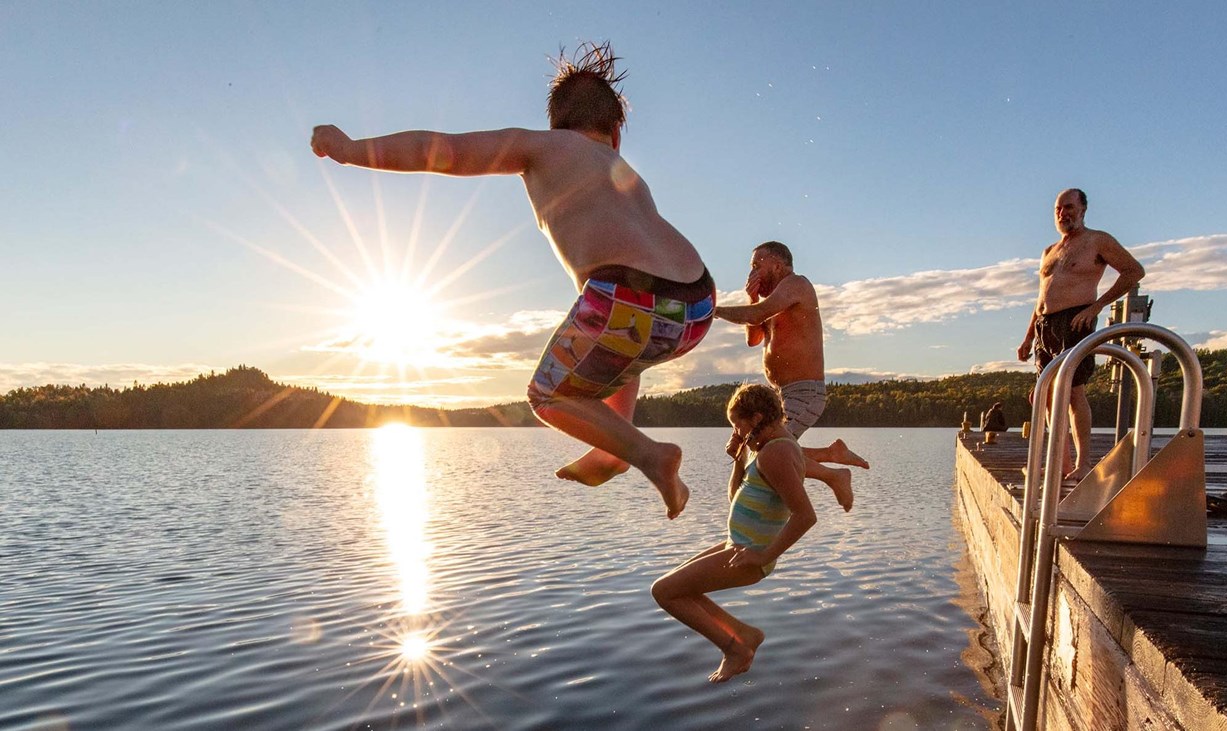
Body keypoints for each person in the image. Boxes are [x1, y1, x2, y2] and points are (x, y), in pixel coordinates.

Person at [311, 42, 713, 519]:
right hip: (695, 304)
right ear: (617, 132)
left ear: (556, 125)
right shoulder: (628, 175)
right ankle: (612, 449)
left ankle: (650, 455)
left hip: (629, 297)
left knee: (548, 394)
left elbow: (446, 151)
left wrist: (352, 150)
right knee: (627, 344)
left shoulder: (542, 147)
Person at [651, 383, 816, 683]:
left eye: (738, 425)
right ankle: (743, 635)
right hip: (738, 545)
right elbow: (734, 496)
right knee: (676, 586)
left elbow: (806, 516)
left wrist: (763, 555)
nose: (737, 433)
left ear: (756, 418)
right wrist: (738, 458)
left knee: (663, 591)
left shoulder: (775, 454)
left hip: (750, 554)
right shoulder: (766, 448)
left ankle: (736, 646)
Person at [713, 241, 869, 511]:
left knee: (768, 449)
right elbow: (754, 337)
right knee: (763, 447)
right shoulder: (771, 301)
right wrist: (751, 298)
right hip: (782, 394)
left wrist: (712, 311)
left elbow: (756, 315)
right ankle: (832, 455)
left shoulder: (797, 285)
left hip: (805, 392)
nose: (752, 273)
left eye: (756, 266)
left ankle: (834, 475)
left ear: (777, 264)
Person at [1016, 188, 1145, 482]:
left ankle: (1083, 464)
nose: (1064, 213)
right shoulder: (1049, 252)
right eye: (1059, 209)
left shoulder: (1097, 241)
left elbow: (1133, 271)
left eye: (1069, 207)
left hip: (1075, 320)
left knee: (1074, 393)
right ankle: (1061, 463)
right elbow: (1040, 298)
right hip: (1044, 327)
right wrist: (1027, 338)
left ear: (1083, 209)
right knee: (1045, 396)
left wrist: (1097, 306)